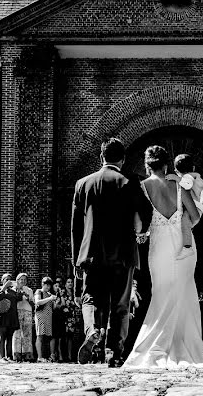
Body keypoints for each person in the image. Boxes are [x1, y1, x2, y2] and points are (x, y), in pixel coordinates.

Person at [124, 144, 203, 368]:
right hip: (184, 246)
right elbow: (194, 216)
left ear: (147, 165)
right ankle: (185, 346)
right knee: (184, 293)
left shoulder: (142, 188)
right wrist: (181, 223)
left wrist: (145, 233)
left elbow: (139, 226)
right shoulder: (180, 186)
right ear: (166, 165)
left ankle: (155, 344)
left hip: (159, 248)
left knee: (161, 293)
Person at [73, 138, 152, 367]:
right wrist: (141, 231)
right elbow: (145, 212)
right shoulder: (130, 181)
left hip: (91, 254)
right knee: (120, 304)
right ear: (123, 159)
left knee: (90, 299)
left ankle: (91, 330)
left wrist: (77, 259)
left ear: (101, 157)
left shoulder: (83, 184)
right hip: (123, 253)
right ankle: (113, 353)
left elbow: (76, 226)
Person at [173, 153, 203, 256]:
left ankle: (187, 248)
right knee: (187, 225)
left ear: (177, 171)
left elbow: (186, 186)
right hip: (198, 206)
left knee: (185, 224)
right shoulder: (197, 178)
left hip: (194, 206)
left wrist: (177, 179)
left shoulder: (187, 177)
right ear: (193, 167)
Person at [0, 273, 20, 362]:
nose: (8, 280)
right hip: (2, 315)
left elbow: (19, 298)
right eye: (5, 279)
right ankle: (1, 357)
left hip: (11, 316)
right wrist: (4, 287)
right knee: (2, 336)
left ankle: (9, 357)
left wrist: (18, 288)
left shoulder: (13, 291)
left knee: (9, 337)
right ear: (2, 280)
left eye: (9, 279)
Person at [12, 273, 35, 362]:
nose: (23, 281)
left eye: (24, 279)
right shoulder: (13, 289)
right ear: (17, 280)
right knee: (17, 333)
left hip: (27, 311)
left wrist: (28, 298)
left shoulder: (29, 290)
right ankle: (17, 354)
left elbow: (33, 303)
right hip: (17, 311)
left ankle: (28, 354)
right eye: (21, 279)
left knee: (27, 333)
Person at [34, 277, 57, 362]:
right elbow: (37, 302)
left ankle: (48, 356)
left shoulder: (49, 294)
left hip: (48, 317)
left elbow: (53, 307)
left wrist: (55, 301)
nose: (48, 287)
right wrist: (49, 298)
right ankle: (39, 357)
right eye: (46, 285)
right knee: (40, 335)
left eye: (49, 285)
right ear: (42, 284)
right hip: (41, 316)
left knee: (47, 336)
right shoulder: (39, 291)